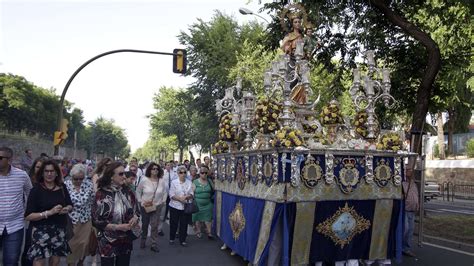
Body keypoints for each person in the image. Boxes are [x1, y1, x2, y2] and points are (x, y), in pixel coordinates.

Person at [25, 159, 73, 266]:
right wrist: (49, 212)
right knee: (39, 262)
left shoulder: (62, 188)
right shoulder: (36, 190)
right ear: (42, 173)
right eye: (46, 171)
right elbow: (28, 216)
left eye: (52, 171)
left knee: (55, 261)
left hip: (59, 229)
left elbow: (70, 205)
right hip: (41, 230)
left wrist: (66, 209)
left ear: (57, 173)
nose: (49, 174)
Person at [92, 161, 140, 266]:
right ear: (111, 176)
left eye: (124, 173)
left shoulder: (129, 192)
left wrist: (135, 219)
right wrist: (117, 227)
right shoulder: (101, 194)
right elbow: (96, 221)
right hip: (108, 241)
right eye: (120, 174)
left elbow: (137, 212)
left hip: (126, 240)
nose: (124, 176)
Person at [0, 147, 33, 266]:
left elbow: (30, 193)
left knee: (11, 261)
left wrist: (26, 212)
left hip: (15, 225)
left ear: (9, 160)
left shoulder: (22, 176)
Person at [65, 164, 95, 266]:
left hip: (86, 219)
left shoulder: (88, 184)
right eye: (76, 179)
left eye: (81, 178)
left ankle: (80, 263)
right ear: (71, 176)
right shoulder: (66, 185)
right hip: (71, 220)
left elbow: (92, 201)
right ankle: (71, 264)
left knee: (85, 244)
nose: (78, 181)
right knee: (71, 245)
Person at [136, 163, 167, 252]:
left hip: (157, 206)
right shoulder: (144, 180)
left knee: (154, 225)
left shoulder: (161, 181)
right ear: (149, 170)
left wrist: (163, 202)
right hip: (145, 206)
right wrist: (140, 201)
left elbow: (165, 192)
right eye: (153, 169)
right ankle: (143, 239)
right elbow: (138, 191)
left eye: (157, 169)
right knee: (145, 225)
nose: (155, 170)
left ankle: (153, 243)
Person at [22, 157, 45, 266]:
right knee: (28, 250)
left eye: (42, 167)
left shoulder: (49, 183)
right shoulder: (27, 180)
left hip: (44, 220)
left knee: (40, 254)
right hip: (28, 220)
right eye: (37, 167)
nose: (39, 170)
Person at [168, 165, 194, 247]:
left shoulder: (189, 182)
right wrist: (180, 199)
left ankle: (182, 240)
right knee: (174, 223)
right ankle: (172, 238)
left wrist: (186, 197)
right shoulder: (174, 182)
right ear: (178, 173)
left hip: (185, 206)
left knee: (184, 223)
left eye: (184, 172)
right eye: (181, 172)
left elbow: (192, 194)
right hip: (174, 206)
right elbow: (171, 194)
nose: (183, 174)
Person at [192, 166, 214, 240]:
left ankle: (209, 233)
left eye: (205, 173)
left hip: (208, 203)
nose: (204, 174)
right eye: (202, 173)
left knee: (208, 219)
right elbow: (192, 192)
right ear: (199, 173)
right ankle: (198, 231)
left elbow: (214, 188)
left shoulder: (209, 181)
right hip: (198, 204)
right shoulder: (195, 182)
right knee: (198, 218)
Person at [402, 167, 419, 258]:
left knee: (410, 230)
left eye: (411, 171)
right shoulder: (403, 184)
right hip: (405, 210)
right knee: (406, 229)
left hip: (412, 210)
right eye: (408, 171)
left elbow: (415, 195)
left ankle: (406, 248)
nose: (411, 172)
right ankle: (400, 246)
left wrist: (417, 205)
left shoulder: (413, 184)